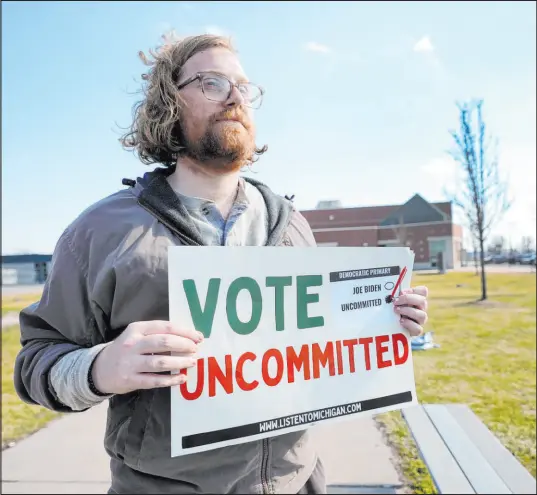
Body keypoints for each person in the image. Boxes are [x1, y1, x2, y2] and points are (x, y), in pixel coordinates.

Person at [14, 33, 429, 494]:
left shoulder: (293, 226)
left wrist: (379, 320)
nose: (235, 97)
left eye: (244, 87)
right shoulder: (101, 231)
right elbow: (38, 362)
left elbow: (320, 352)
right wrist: (101, 368)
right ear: (169, 103)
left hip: (298, 482)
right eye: (213, 82)